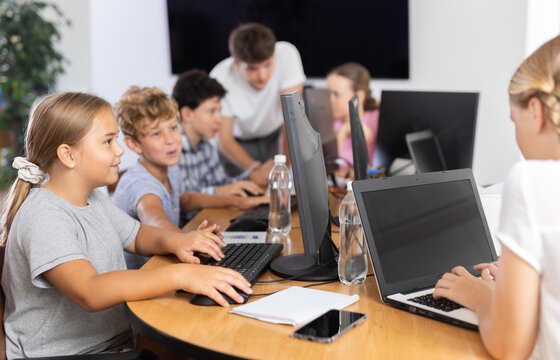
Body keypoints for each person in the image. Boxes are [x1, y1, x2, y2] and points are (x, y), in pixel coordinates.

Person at [0, 92, 252, 358]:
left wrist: (179, 241)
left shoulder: (92, 197)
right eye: (108, 141)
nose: (119, 150)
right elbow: (91, 291)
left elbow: (136, 235)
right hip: (67, 353)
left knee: (207, 338)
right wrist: (181, 275)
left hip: (112, 341)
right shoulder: (44, 215)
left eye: (116, 139)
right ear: (68, 155)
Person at [433, 35, 560, 359]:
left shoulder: (533, 181)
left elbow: (510, 347)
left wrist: (479, 293)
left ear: (536, 111)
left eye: (514, 122)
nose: (517, 137)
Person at [113, 86, 268, 268]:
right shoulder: (140, 184)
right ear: (134, 144)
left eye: (173, 128)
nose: (170, 139)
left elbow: (187, 199)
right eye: (156, 133)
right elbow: (155, 219)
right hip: (140, 278)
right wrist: (186, 240)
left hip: (163, 264)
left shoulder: (169, 168)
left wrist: (237, 202)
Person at [210, 22, 306, 176]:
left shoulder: (287, 54)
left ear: (274, 55)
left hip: (277, 137)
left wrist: (284, 170)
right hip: (239, 145)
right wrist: (255, 170)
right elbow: (224, 140)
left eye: (268, 65)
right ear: (236, 63)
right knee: (247, 192)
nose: (263, 76)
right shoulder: (220, 77)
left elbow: (291, 120)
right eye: (252, 69)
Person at [172, 69, 270, 193]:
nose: (220, 120)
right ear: (187, 114)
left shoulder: (206, 145)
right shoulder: (172, 148)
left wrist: (252, 176)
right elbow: (186, 197)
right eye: (212, 111)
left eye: (220, 111)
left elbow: (222, 183)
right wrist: (224, 190)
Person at [326, 62, 379, 168]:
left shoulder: (377, 119)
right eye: (328, 93)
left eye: (336, 94)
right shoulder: (329, 121)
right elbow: (329, 166)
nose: (330, 100)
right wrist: (342, 132)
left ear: (359, 96)